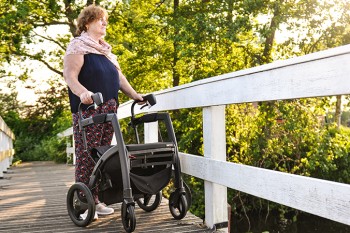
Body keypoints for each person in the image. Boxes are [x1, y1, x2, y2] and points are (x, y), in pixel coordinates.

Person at [63, 5, 143, 220]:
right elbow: (70, 76)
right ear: (87, 22)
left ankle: (95, 199)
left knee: (103, 155)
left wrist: (136, 95)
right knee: (86, 155)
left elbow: (120, 79)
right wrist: (82, 93)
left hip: (109, 109)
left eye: (105, 20)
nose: (105, 23)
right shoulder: (78, 46)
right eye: (100, 20)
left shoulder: (106, 52)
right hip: (88, 109)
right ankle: (83, 200)